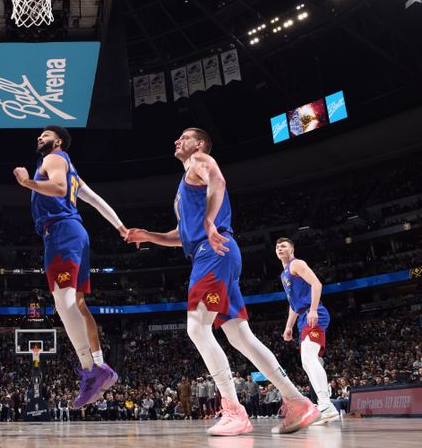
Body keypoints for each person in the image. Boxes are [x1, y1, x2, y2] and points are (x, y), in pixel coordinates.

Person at [125, 128, 320, 435]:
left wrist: (210, 222)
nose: (177, 141)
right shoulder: (185, 184)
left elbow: (219, 180)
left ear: (199, 144)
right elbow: (182, 235)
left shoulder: (200, 160)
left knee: (196, 327)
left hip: (213, 252)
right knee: (240, 337)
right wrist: (149, 236)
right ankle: (297, 402)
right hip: (214, 251)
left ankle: (233, 409)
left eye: (184, 137)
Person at [13, 126, 125, 408]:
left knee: (63, 304)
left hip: (61, 234)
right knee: (77, 304)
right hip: (73, 233)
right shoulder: (69, 165)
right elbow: (95, 199)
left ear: (58, 141)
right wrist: (120, 227)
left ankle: (91, 370)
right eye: (39, 135)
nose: (40, 137)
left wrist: (28, 183)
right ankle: (97, 365)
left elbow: (60, 188)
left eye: (46, 134)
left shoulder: (53, 158)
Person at [276, 237, 339, 424]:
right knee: (309, 361)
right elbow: (293, 305)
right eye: (277, 246)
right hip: (302, 317)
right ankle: (326, 405)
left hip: (314, 313)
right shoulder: (284, 274)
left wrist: (312, 310)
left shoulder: (297, 264)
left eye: (284, 246)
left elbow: (317, 284)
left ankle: (326, 404)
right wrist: (288, 326)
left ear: (292, 249)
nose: (280, 248)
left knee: (309, 358)